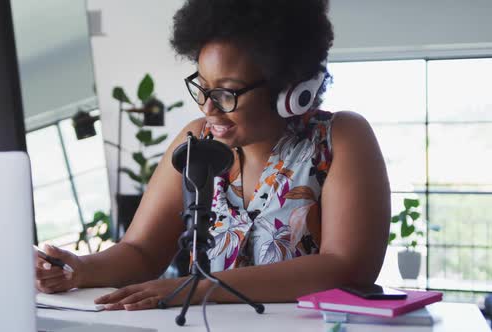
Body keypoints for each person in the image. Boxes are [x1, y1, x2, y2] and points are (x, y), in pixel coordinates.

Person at [35, 0, 391, 311]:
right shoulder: (196, 139)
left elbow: (347, 268)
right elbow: (142, 251)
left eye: (227, 92)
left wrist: (203, 288)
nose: (208, 107)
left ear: (290, 87)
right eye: (202, 88)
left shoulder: (340, 138)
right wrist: (79, 268)